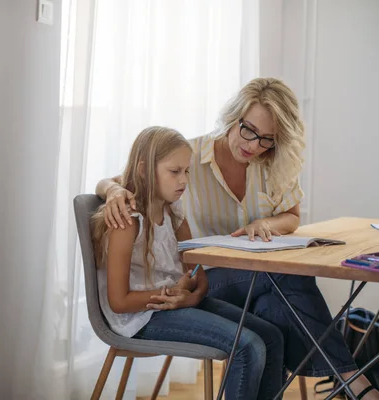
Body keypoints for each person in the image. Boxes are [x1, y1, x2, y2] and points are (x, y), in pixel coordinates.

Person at [96, 77, 379, 398]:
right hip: (212, 279)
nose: (255, 145)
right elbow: (124, 178)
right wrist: (114, 190)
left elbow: (292, 217)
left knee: (274, 317)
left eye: (267, 139)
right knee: (282, 280)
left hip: (226, 283)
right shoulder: (186, 157)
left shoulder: (274, 163)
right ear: (233, 117)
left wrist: (267, 223)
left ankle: (343, 378)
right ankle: (352, 379)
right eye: (249, 130)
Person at [91, 126, 285, 400]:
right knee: (248, 346)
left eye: (187, 171)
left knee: (272, 336)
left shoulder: (173, 210)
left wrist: (191, 296)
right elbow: (118, 301)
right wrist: (173, 295)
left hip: (174, 303)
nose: (184, 180)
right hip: (140, 318)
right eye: (175, 171)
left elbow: (197, 271)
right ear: (145, 170)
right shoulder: (128, 221)